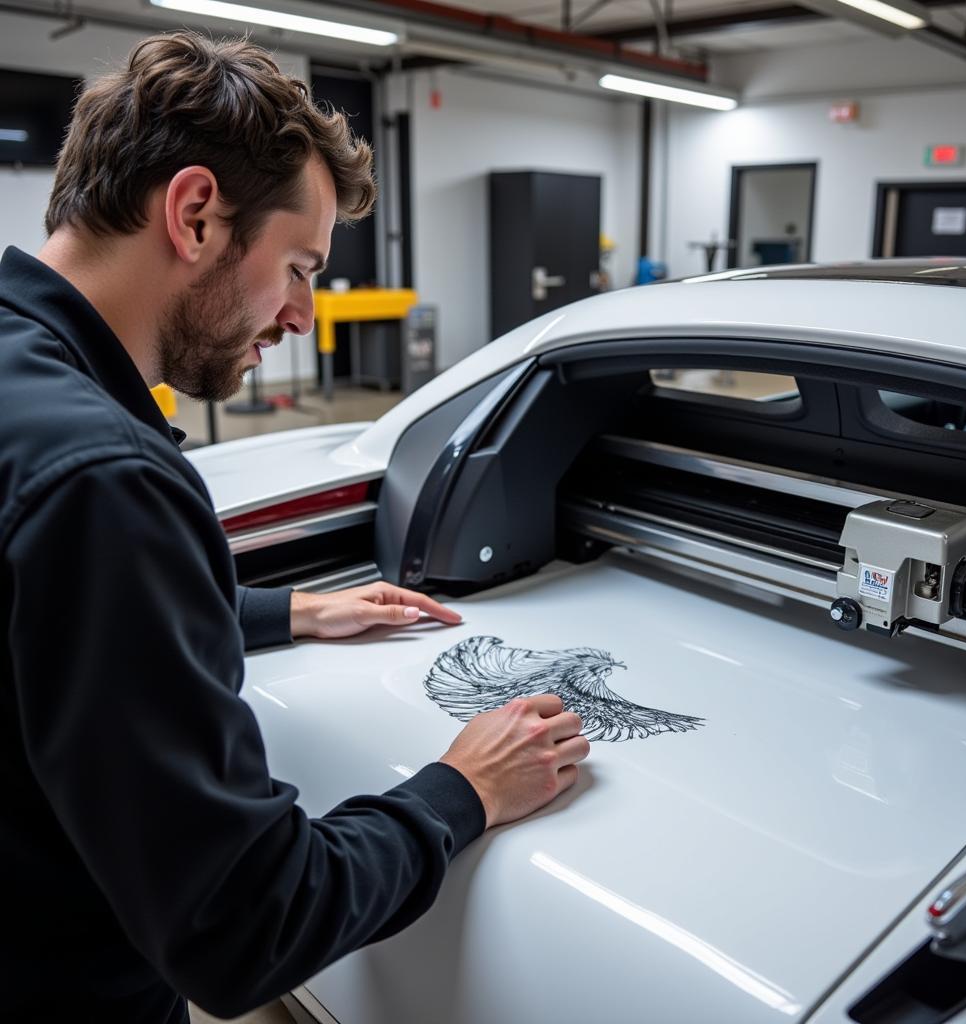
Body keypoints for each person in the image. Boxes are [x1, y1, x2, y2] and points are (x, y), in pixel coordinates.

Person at [0, 31, 590, 1022]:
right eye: (300, 266)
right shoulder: (106, 482)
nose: (306, 316)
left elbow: (43, 627)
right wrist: (462, 788)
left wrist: (289, 611)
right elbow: (242, 925)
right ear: (195, 215)